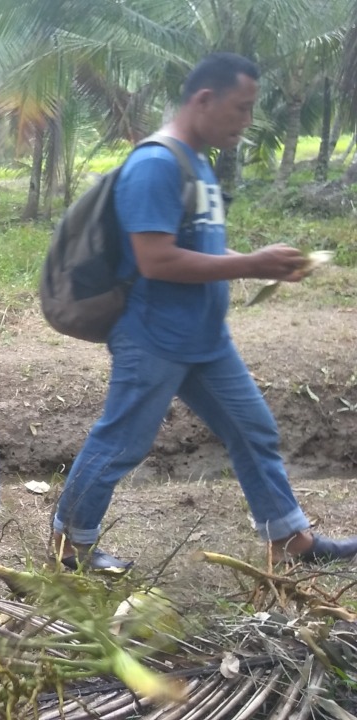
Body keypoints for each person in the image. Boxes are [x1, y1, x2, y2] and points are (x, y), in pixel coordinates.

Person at [52, 53, 357, 572]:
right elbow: (156, 259)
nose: (246, 120)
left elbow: (200, 247)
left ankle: (290, 538)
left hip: (205, 339)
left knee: (252, 428)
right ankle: (69, 547)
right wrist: (252, 265)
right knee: (121, 442)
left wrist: (264, 264)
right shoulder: (155, 165)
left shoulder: (197, 162)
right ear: (204, 100)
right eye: (241, 108)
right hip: (154, 336)